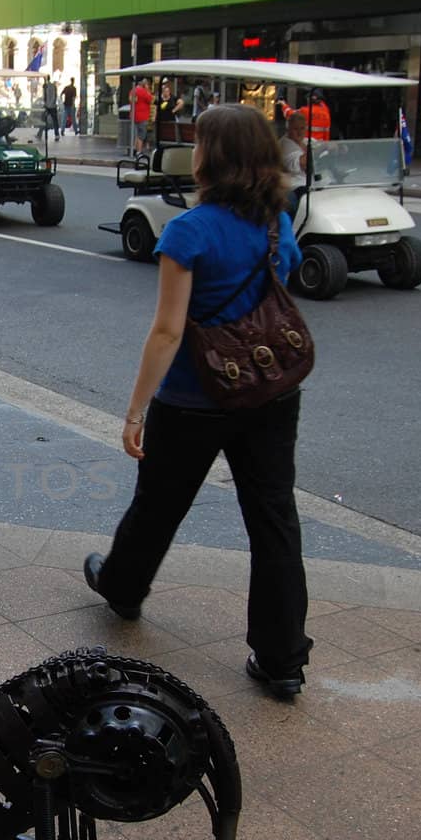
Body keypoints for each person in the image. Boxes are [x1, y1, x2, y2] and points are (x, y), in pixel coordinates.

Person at [82, 104, 310, 701]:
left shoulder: (188, 230)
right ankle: (282, 658)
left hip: (192, 399)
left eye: (200, 142)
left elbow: (168, 331)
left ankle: (124, 588)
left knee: (158, 503)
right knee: (274, 521)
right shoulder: (276, 222)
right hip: (269, 391)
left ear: (215, 158)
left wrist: (135, 409)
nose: (194, 151)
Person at [279, 111, 310, 214]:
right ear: (288, 129)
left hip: (312, 183)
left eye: (302, 128)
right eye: (295, 129)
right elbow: (301, 163)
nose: (299, 132)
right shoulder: (285, 145)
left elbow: (322, 146)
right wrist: (317, 151)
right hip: (295, 186)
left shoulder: (307, 141)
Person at [131, 77, 153, 154]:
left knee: (136, 133)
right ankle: (139, 151)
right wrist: (147, 90)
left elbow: (131, 100)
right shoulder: (144, 92)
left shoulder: (133, 91)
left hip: (134, 115)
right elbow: (150, 99)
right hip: (143, 116)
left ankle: (135, 149)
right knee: (141, 134)